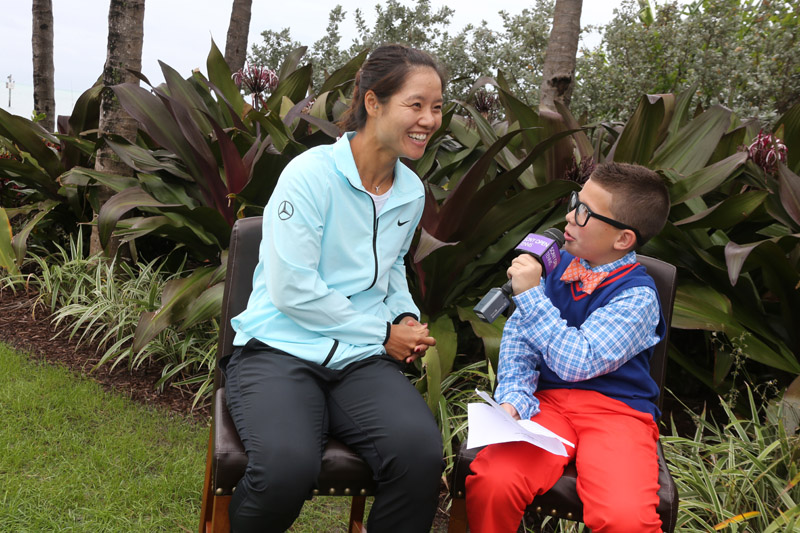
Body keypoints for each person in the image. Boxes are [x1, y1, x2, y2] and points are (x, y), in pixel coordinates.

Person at [223, 44, 446, 532]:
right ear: (373, 102)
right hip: (278, 350)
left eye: (436, 107)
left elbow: (391, 269)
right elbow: (292, 289)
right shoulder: (310, 175)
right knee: (285, 471)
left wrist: (404, 316)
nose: (429, 120)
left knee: (421, 458)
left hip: (358, 359)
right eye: (415, 105)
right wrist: (383, 333)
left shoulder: (410, 191)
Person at [465, 162, 671, 532]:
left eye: (585, 212)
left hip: (617, 413)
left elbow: (578, 362)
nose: (570, 216)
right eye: (576, 201)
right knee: (495, 480)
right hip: (547, 404)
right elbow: (519, 342)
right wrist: (514, 398)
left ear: (623, 239)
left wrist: (531, 294)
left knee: (625, 517)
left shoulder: (638, 297)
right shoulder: (551, 264)